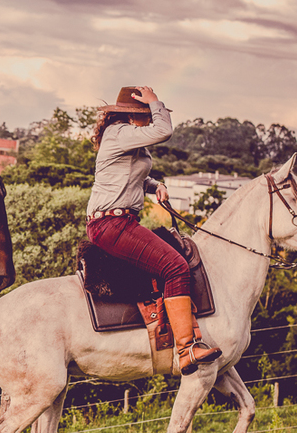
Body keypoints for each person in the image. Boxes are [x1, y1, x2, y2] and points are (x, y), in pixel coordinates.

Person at [85, 86, 221, 374]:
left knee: (172, 256)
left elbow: (130, 175)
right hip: (112, 224)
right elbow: (164, 131)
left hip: (119, 222)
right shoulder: (120, 133)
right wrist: (156, 102)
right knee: (175, 267)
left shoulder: (128, 139)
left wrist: (156, 185)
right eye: (146, 113)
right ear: (134, 114)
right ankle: (186, 349)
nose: (150, 118)